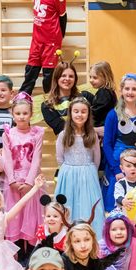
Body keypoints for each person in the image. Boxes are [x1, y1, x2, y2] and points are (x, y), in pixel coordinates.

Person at [11, 0, 68, 95]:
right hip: (37, 39)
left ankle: (49, 102)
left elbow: (63, 16)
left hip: (51, 40)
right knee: (31, 71)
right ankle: (23, 99)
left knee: (48, 76)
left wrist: (60, 37)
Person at [102, 73, 136, 211]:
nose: (130, 92)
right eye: (127, 89)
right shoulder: (113, 114)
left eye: (134, 89)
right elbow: (106, 144)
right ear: (122, 91)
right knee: (120, 205)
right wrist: (116, 169)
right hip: (118, 164)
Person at [1, 96, 44, 258]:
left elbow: (37, 159)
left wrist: (29, 182)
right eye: (18, 113)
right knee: (14, 217)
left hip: (31, 182)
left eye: (25, 113)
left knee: (30, 216)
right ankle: (16, 254)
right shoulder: (8, 134)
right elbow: (7, 158)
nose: (21, 116)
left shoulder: (37, 133)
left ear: (31, 114)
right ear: (12, 114)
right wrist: (11, 180)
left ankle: (29, 255)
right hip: (12, 183)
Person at [55, 97, 105, 236]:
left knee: (88, 207)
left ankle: (92, 237)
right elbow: (60, 158)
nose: (79, 114)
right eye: (76, 111)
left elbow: (96, 157)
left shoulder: (92, 135)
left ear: (88, 114)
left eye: (83, 111)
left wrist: (88, 172)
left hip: (88, 176)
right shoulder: (63, 135)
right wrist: (69, 170)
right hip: (68, 175)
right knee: (69, 205)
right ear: (70, 113)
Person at [41, 61, 83, 135]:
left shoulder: (85, 97)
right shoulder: (47, 105)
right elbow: (61, 128)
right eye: (63, 75)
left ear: (75, 79)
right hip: (66, 144)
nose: (67, 79)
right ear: (56, 78)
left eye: (71, 76)